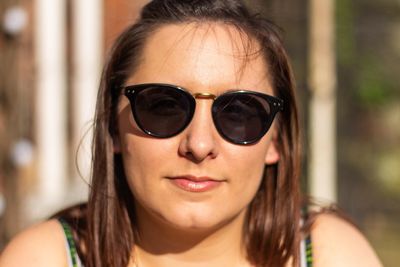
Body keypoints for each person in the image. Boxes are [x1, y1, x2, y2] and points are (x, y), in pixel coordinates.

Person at [0, 0, 382, 266]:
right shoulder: (43, 258)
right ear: (114, 127)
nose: (199, 145)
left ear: (276, 140)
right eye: (163, 107)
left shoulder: (330, 253)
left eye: (239, 113)